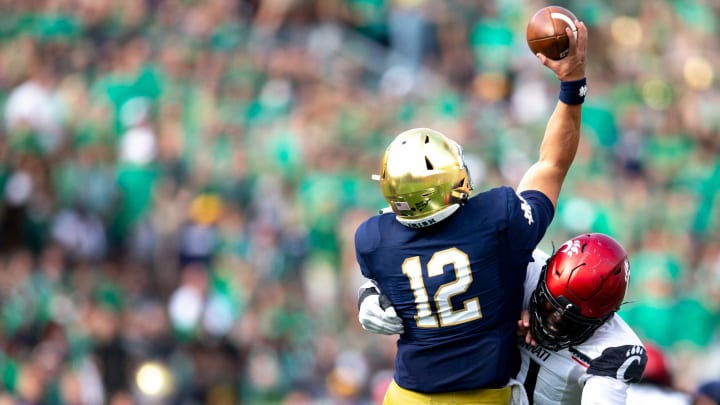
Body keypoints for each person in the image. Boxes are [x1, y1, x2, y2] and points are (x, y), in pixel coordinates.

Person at [354, 19, 588, 404]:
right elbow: (551, 165)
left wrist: (366, 293)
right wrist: (572, 84)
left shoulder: (374, 238)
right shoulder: (496, 218)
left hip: (404, 396)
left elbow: (383, 284)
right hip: (481, 397)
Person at [360, 233, 649, 404]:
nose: (553, 323)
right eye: (549, 308)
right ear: (544, 276)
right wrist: (371, 293)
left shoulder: (615, 351)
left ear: (605, 318)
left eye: (571, 322)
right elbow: (430, 266)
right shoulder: (521, 268)